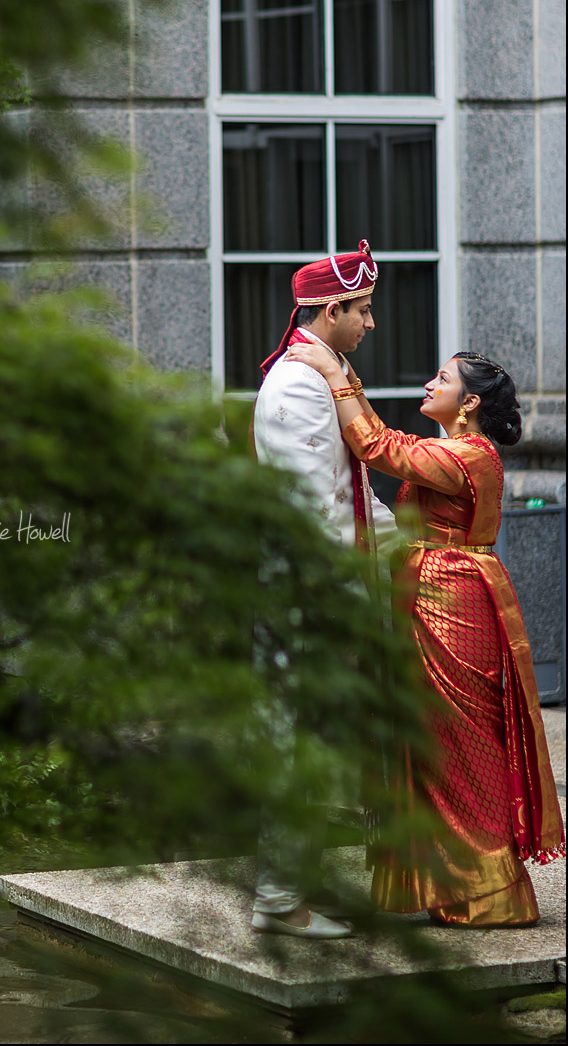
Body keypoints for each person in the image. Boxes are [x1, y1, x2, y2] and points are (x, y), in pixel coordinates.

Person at [284, 340, 565, 926]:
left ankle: (488, 893)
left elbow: (378, 446)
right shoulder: (461, 448)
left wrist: (334, 373)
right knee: (436, 746)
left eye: (443, 378)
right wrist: (347, 378)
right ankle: (454, 890)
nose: (431, 384)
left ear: (469, 404)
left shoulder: (470, 456)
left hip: (454, 604)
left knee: (460, 747)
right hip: (437, 595)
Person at [250, 240, 399, 940]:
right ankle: (280, 902)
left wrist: (408, 549)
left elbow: (358, 489)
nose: (371, 323)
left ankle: (302, 888)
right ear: (330, 308)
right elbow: (313, 509)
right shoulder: (295, 382)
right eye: (362, 310)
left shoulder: (329, 369)